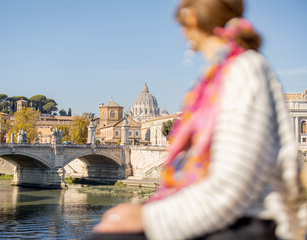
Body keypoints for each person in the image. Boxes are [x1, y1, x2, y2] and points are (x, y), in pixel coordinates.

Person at [91, 0, 307, 239]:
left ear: (192, 19)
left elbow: (234, 186)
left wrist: (148, 217)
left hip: (250, 219)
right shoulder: (222, 73)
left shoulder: (244, 70)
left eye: (181, 25)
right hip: (230, 211)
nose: (182, 35)